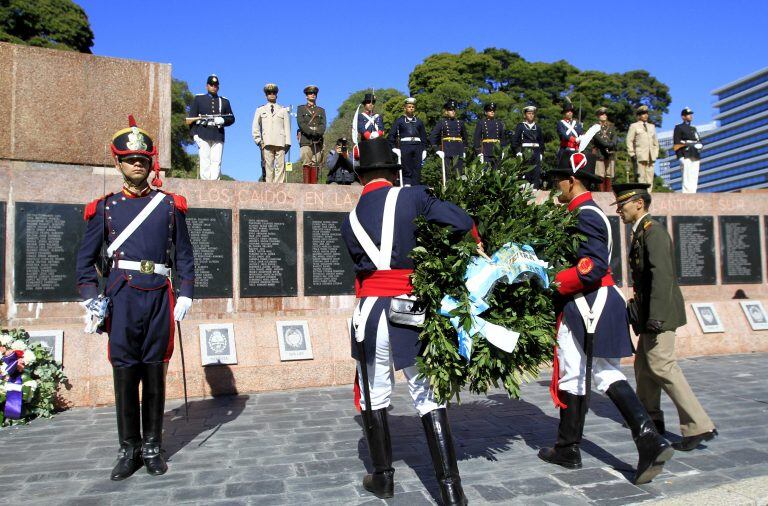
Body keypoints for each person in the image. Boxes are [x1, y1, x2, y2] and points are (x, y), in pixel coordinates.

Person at [341, 136, 479, 505]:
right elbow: (462, 222)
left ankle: (383, 478)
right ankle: (451, 491)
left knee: (374, 394)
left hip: (368, 313)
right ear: (391, 170)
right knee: (427, 395)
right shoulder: (413, 196)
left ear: (361, 175)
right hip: (408, 308)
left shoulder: (350, 219)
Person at [539, 149, 673, 485]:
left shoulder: (585, 213)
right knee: (578, 370)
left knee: (601, 372)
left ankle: (648, 439)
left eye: (559, 179)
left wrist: (553, 280)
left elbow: (592, 265)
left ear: (572, 180)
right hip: (586, 302)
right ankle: (568, 447)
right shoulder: (580, 211)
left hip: (589, 302)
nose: (556, 184)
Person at [76, 116, 195, 480]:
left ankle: (153, 446)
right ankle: (128, 448)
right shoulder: (105, 208)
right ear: (118, 164)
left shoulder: (169, 206)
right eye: (130, 160)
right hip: (123, 296)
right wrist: (90, 298)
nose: (137, 165)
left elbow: (185, 256)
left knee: (155, 369)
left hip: (159, 295)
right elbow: (85, 261)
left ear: (150, 163)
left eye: (143, 160)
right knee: (126, 371)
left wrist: (186, 292)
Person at [613, 183, 718, 451]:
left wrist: (656, 316)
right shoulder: (640, 233)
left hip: (660, 313)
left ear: (639, 203)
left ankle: (699, 425)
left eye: (622, 205)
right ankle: (651, 418)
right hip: (650, 311)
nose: (619, 211)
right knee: (644, 367)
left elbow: (662, 276)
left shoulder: (653, 232)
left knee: (662, 365)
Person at [188, 74, 235, 180]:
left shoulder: (224, 101)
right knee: (205, 160)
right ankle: (205, 182)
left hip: (218, 134)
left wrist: (222, 120)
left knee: (216, 161)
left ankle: (214, 183)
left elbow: (231, 118)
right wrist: (194, 135)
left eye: (216, 85)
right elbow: (191, 119)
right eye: (211, 85)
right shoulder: (199, 99)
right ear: (207, 86)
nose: (214, 87)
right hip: (202, 133)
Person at [252, 83, 291, 183]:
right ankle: (269, 187)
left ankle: (279, 187)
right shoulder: (260, 110)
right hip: (267, 141)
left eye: (274, 92)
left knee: (280, 166)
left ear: (277, 94)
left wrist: (288, 142)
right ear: (266, 95)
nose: (272, 94)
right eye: (269, 93)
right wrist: (258, 140)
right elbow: (255, 126)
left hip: (281, 141)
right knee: (268, 167)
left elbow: (287, 127)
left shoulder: (283, 110)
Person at [388, 97, 428, 185]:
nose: (411, 108)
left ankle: (415, 187)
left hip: (417, 146)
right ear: (405, 108)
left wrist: (424, 149)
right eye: (409, 106)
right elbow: (391, 135)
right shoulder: (399, 121)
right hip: (405, 146)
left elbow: (424, 137)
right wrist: (394, 148)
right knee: (406, 167)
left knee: (417, 168)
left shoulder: (419, 122)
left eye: (413, 107)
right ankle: (407, 186)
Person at [296, 85, 326, 184]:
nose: (312, 95)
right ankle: (306, 187)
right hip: (306, 139)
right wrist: (310, 133)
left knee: (316, 163)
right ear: (306, 96)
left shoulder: (321, 110)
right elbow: (301, 123)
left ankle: (314, 187)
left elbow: (323, 125)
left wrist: (317, 133)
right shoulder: (301, 109)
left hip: (318, 140)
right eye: (310, 93)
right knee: (306, 162)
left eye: (314, 94)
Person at [430, 99, 467, 178]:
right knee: (446, 173)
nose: (453, 111)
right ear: (446, 112)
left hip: (458, 149)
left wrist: (464, 150)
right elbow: (433, 136)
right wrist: (437, 150)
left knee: (458, 173)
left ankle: (458, 190)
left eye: (454, 110)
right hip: (447, 149)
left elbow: (465, 138)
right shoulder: (442, 123)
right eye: (450, 110)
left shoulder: (460, 123)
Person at [510, 105, 545, 188]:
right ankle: (525, 187)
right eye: (529, 113)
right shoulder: (521, 126)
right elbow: (515, 140)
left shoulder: (537, 127)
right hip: (525, 150)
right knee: (526, 170)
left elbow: (541, 141)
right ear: (525, 115)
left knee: (536, 170)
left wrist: (541, 153)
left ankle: (535, 187)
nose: (531, 115)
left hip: (536, 150)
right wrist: (518, 151)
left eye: (532, 114)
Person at [626, 105, 660, 189]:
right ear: (639, 116)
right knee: (641, 176)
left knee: (650, 176)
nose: (645, 115)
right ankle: (642, 193)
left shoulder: (652, 126)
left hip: (651, 155)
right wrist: (631, 153)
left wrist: (655, 154)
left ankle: (649, 193)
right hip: (640, 155)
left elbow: (655, 142)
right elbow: (629, 140)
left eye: (646, 113)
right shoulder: (634, 126)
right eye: (643, 113)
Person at [673, 107, 703, 193]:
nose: (690, 116)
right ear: (683, 117)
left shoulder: (693, 128)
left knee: (694, 175)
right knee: (686, 175)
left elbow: (699, 140)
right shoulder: (679, 127)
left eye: (691, 114)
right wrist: (679, 157)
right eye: (688, 114)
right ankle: (686, 193)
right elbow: (676, 143)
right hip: (685, 153)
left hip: (695, 153)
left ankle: (693, 192)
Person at [592, 107, 618, 192]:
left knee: (609, 174)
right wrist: (606, 144)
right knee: (600, 174)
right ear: (598, 116)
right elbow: (597, 138)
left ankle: (608, 193)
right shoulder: (595, 127)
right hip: (600, 153)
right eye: (602, 114)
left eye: (605, 114)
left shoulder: (611, 126)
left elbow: (614, 137)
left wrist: (612, 144)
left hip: (610, 154)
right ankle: (601, 194)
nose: (604, 116)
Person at [473, 102, 506, 168]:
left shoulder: (499, 124)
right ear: (485, 112)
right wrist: (479, 152)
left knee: (497, 172)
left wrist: (503, 150)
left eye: (493, 110)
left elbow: (502, 138)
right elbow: (477, 138)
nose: (492, 112)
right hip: (486, 151)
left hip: (497, 151)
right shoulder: (481, 123)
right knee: (485, 172)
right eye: (490, 110)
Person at [556, 101, 583, 166]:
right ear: (564, 113)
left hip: (575, 150)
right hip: (565, 149)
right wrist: (574, 139)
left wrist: (581, 137)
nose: (570, 113)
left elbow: (580, 133)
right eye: (568, 111)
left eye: (571, 111)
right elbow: (563, 134)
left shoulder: (577, 124)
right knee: (563, 169)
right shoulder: (560, 123)